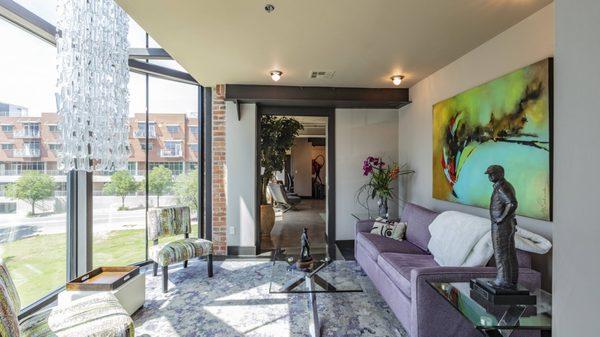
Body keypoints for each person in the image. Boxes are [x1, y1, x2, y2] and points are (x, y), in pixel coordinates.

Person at [485, 165, 519, 289]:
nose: (490, 176)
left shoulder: (502, 188)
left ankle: (503, 281)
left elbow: (512, 203)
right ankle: (512, 279)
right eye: (488, 174)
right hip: (506, 225)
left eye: (492, 174)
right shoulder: (503, 186)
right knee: (509, 253)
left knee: (501, 253)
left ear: (500, 173)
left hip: (501, 226)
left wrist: (501, 218)